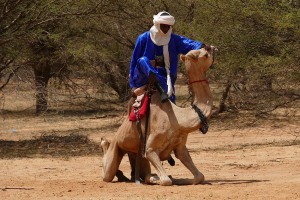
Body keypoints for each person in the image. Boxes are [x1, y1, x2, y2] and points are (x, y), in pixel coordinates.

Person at [129, 11, 205, 103]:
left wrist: (203, 46)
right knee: (143, 60)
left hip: (165, 77)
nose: (166, 29)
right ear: (157, 25)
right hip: (143, 77)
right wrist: (132, 86)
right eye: (163, 26)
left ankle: (159, 84)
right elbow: (133, 62)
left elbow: (189, 44)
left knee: (171, 104)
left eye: (168, 26)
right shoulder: (143, 38)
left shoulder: (173, 39)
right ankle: (155, 80)